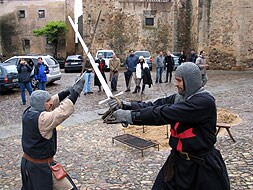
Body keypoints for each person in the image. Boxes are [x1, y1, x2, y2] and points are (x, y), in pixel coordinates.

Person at [106, 62, 230, 190]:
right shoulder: (180, 98)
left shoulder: (204, 102)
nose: (176, 84)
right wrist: (126, 105)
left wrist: (130, 117)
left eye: (179, 80)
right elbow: (155, 105)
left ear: (190, 81)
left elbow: (163, 113)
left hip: (201, 167)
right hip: (178, 162)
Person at [21, 77, 85, 190]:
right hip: (39, 168)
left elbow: (52, 101)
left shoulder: (29, 111)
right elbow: (62, 112)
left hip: (32, 164)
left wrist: (67, 91)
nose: (51, 103)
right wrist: (76, 92)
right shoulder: (42, 119)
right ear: (41, 104)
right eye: (47, 101)